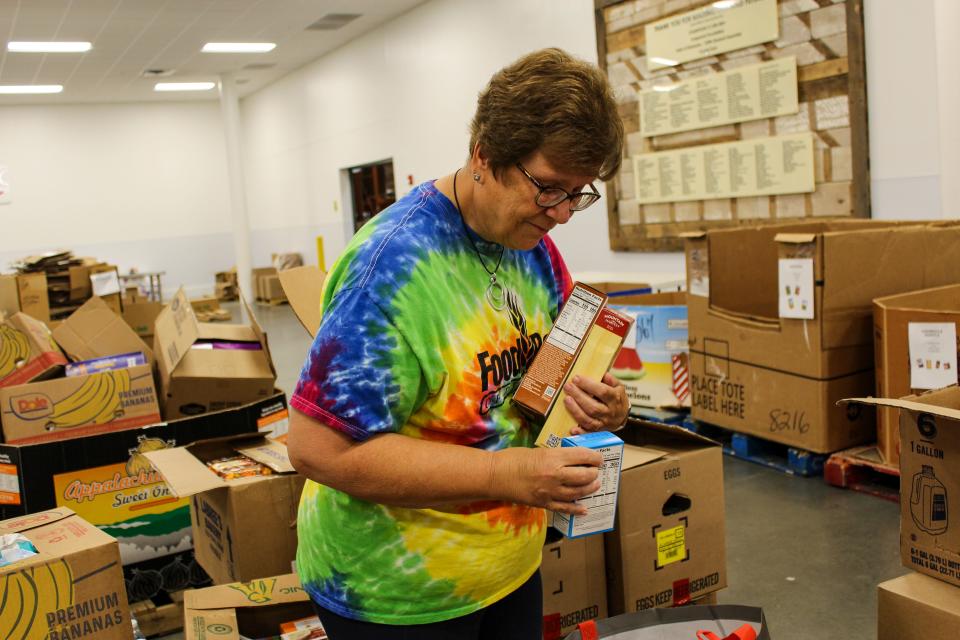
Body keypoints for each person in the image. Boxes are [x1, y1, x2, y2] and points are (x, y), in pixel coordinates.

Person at [287, 47, 628, 640]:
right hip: (396, 593)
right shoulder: (391, 269)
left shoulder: (534, 246)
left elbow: (546, 376)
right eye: (550, 188)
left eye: (581, 193)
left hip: (506, 569)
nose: (565, 214)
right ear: (484, 154)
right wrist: (508, 476)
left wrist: (600, 403)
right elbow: (319, 449)